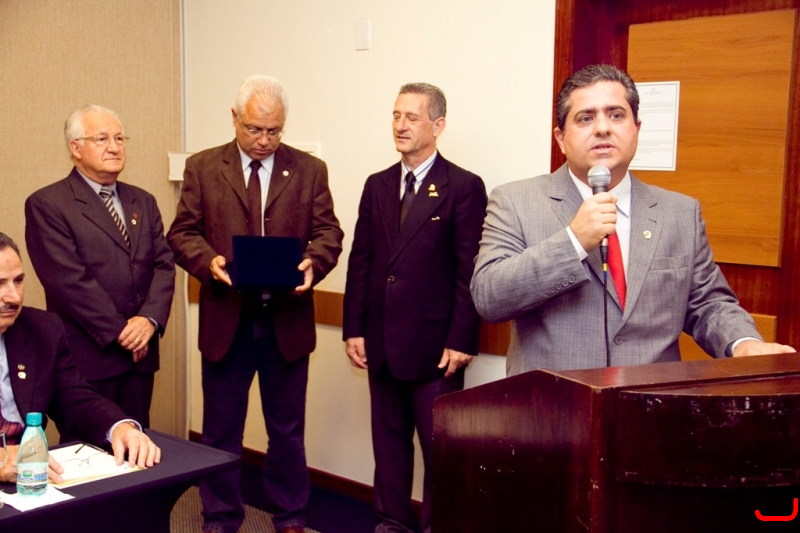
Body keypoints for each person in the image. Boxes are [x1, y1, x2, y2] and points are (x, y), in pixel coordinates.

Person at [470, 64, 795, 377]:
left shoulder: (680, 212)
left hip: (651, 404)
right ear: (561, 138)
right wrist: (573, 242)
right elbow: (489, 297)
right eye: (586, 118)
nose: (602, 128)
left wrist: (744, 343)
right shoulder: (516, 201)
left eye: (616, 115)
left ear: (636, 129)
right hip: (555, 405)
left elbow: (708, 302)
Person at [167, 74, 343, 533]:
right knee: (221, 429)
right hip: (228, 321)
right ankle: (220, 517)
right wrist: (208, 261)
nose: (264, 140)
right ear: (234, 118)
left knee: (287, 430)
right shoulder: (204, 167)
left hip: (286, 320)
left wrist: (314, 262)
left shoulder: (309, 170)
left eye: (274, 131)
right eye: (254, 129)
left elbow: (329, 232)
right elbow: (181, 233)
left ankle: (290, 516)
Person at [343, 82, 487, 533]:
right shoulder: (378, 185)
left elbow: (470, 271)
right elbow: (361, 261)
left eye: (412, 117)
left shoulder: (463, 187)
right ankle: (391, 522)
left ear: (437, 125)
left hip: (436, 349)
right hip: (381, 341)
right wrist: (353, 328)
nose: (400, 125)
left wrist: (462, 339)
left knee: (441, 451)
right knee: (388, 446)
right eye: (396, 115)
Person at [24, 105, 175, 430]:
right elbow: (67, 281)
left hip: (140, 358)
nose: (115, 147)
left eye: (119, 138)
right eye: (102, 139)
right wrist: (123, 332)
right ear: (75, 148)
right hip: (89, 357)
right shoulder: (48, 204)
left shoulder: (143, 201)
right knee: (87, 450)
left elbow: (164, 265)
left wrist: (149, 321)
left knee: (137, 446)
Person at [0, 232, 160, 483]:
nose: (15, 297)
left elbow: (75, 400)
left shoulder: (41, 329)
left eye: (18, 281)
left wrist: (119, 427)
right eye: (0, 284)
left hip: (31, 481)